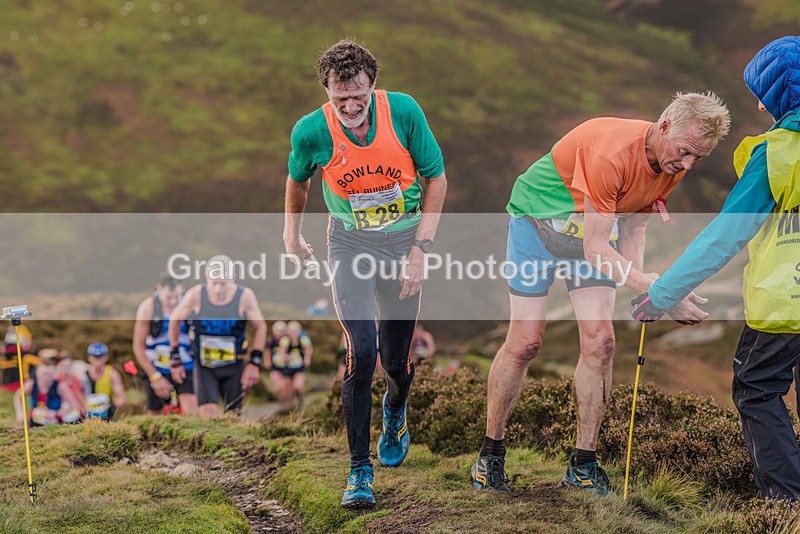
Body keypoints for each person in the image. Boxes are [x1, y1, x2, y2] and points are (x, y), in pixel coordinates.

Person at [473, 92, 731, 495]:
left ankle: (583, 464)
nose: (687, 165)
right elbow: (597, 249)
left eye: (698, 158)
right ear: (664, 127)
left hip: (590, 236)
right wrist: (656, 288)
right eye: (685, 152)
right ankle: (490, 454)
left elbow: (634, 225)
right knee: (525, 342)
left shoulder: (672, 162)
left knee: (601, 342)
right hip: (536, 227)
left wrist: (646, 290)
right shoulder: (611, 153)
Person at [631, 36, 800, 501]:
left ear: (783, 94)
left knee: (757, 388)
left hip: (786, 302)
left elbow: (724, 237)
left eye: (763, 95)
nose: (760, 107)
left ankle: (786, 507)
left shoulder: (777, 153)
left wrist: (662, 293)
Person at [283, 38, 447, 508]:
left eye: (358, 95)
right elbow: (298, 180)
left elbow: (436, 177)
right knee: (361, 349)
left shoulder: (404, 112)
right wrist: (291, 237)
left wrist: (421, 250)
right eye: (340, 98)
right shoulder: (311, 131)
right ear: (327, 91)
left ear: (373, 85)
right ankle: (359, 470)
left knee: (395, 361)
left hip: (403, 239)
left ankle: (395, 408)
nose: (351, 107)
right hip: (350, 242)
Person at [168, 255, 267, 419]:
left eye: (223, 283)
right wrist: (175, 357)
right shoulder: (196, 294)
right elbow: (174, 320)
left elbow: (260, 327)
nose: (218, 289)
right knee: (208, 413)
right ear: (206, 277)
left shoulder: (244, 296)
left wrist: (254, 363)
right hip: (205, 366)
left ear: (233, 278)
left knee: (233, 416)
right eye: (214, 283)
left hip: (234, 365)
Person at [133, 272, 197, 416]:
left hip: (185, 367)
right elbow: (138, 347)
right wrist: (155, 377)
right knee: (155, 415)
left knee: (192, 415)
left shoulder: (190, 305)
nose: (173, 302)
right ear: (159, 289)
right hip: (157, 368)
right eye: (168, 297)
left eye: (176, 297)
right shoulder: (148, 308)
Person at [14, 349, 81, 426]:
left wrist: (61, 412)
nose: (46, 378)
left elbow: (74, 404)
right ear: (37, 373)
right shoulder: (31, 384)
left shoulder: (60, 385)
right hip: (36, 420)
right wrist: (20, 413)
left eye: (49, 375)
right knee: (36, 413)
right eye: (44, 374)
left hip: (55, 420)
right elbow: (18, 396)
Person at [270, 320, 312, 409]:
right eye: (292, 331)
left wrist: (307, 358)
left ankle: (300, 401)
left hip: (299, 367)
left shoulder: (303, 339)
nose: (295, 333)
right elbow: (282, 354)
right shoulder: (285, 341)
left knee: (298, 386)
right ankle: (291, 406)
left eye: (296, 331)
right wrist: (289, 357)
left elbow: (308, 349)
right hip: (288, 368)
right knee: (289, 388)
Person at [83, 343, 126, 420]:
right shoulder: (83, 374)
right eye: (95, 356)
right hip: (87, 414)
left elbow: (121, 397)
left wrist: (111, 407)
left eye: (100, 356)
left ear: (106, 357)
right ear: (89, 357)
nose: (97, 359)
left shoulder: (112, 374)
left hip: (106, 414)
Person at [1, 325, 39, 392]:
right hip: (11, 359)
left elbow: (28, 342)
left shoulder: (22, 329)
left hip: (20, 354)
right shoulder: (9, 333)